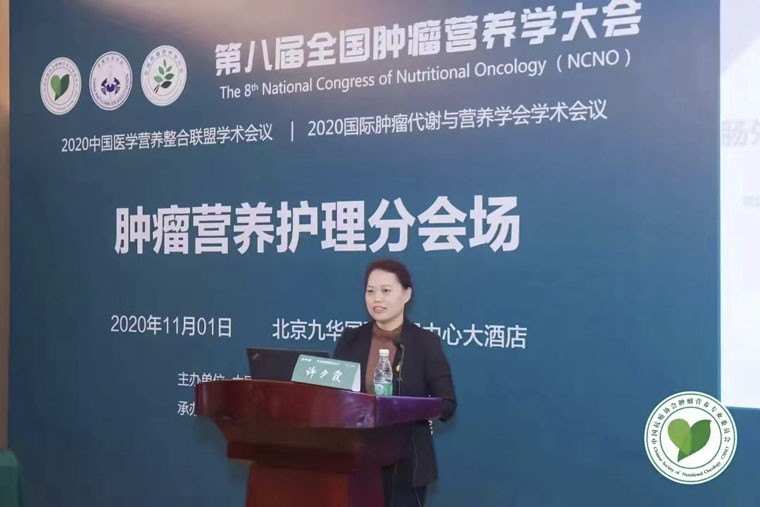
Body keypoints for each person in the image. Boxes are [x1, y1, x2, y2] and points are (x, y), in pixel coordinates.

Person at [333, 258, 457, 507]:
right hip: (355, 459)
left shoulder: (425, 343)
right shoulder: (351, 339)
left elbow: (447, 404)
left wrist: (408, 408)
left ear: (407, 294)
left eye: (386, 291)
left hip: (407, 464)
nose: (376, 299)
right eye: (370, 291)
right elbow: (334, 395)